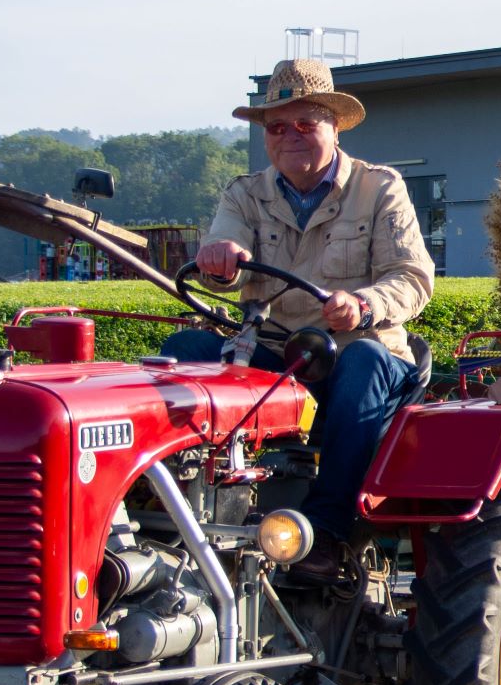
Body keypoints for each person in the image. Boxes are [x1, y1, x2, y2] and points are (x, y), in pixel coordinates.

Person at [174, 57, 435, 572]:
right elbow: (223, 253)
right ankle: (182, 515)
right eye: (277, 127)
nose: (290, 135)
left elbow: (413, 277)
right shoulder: (244, 194)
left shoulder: (380, 188)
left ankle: (327, 531)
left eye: (305, 123)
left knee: (363, 361)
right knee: (185, 354)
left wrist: (364, 306)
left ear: (334, 127)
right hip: (275, 354)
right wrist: (221, 262)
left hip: (359, 357)